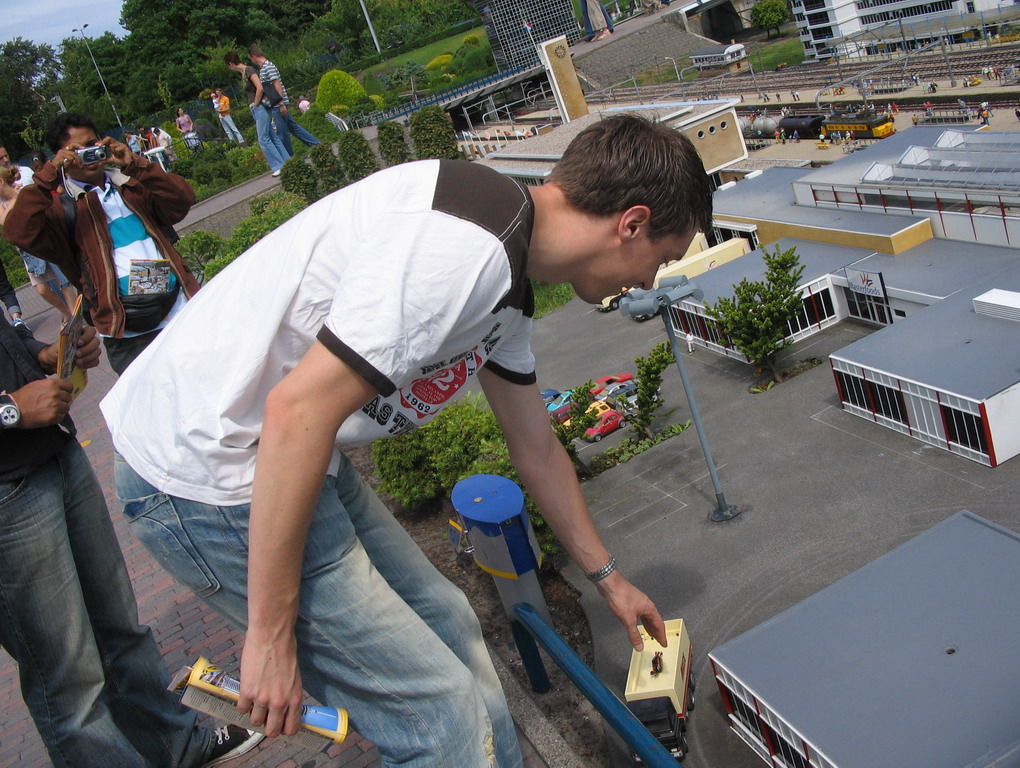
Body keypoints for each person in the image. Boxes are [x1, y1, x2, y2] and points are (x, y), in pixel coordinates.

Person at [102, 114, 713, 768]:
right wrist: (270, 636)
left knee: (454, 634)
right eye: (663, 260)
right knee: (440, 719)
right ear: (633, 223)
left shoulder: (507, 274)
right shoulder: (464, 250)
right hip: (207, 471)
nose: (650, 284)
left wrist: (611, 581)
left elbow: (535, 446)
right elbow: (295, 411)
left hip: (280, 457)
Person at [0, 314, 264, 768]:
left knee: (117, 628)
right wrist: (8, 409)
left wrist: (42, 353)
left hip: (52, 452)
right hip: (8, 492)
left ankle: (174, 747)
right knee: (66, 678)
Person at [3, 112, 200, 375]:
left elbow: (182, 199)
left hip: (180, 310)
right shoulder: (61, 209)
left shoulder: (129, 185)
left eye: (93, 143)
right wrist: (48, 174)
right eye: (77, 149)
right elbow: (18, 231)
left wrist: (135, 165)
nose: (89, 152)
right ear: (61, 155)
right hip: (128, 334)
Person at [0, 166, 78, 323]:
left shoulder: (24, 190)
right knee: (41, 289)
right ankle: (66, 312)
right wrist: (16, 200)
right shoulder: (8, 200)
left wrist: (18, 200)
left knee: (64, 282)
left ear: (1, 182)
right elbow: (4, 221)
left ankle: (74, 317)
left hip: (43, 239)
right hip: (27, 251)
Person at [247, 46, 321, 156]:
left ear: (253, 56)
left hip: (277, 103)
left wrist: (280, 104)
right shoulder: (264, 67)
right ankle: (316, 144)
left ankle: (289, 157)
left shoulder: (267, 66)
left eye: (250, 58)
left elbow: (277, 84)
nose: (251, 61)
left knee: (282, 132)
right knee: (292, 127)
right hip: (277, 103)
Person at [224, 51, 288, 176]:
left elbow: (259, 87)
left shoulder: (248, 70)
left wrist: (256, 103)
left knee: (263, 138)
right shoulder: (244, 72)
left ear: (231, 63)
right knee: (271, 135)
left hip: (259, 107)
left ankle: (278, 165)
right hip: (258, 107)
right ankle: (286, 161)